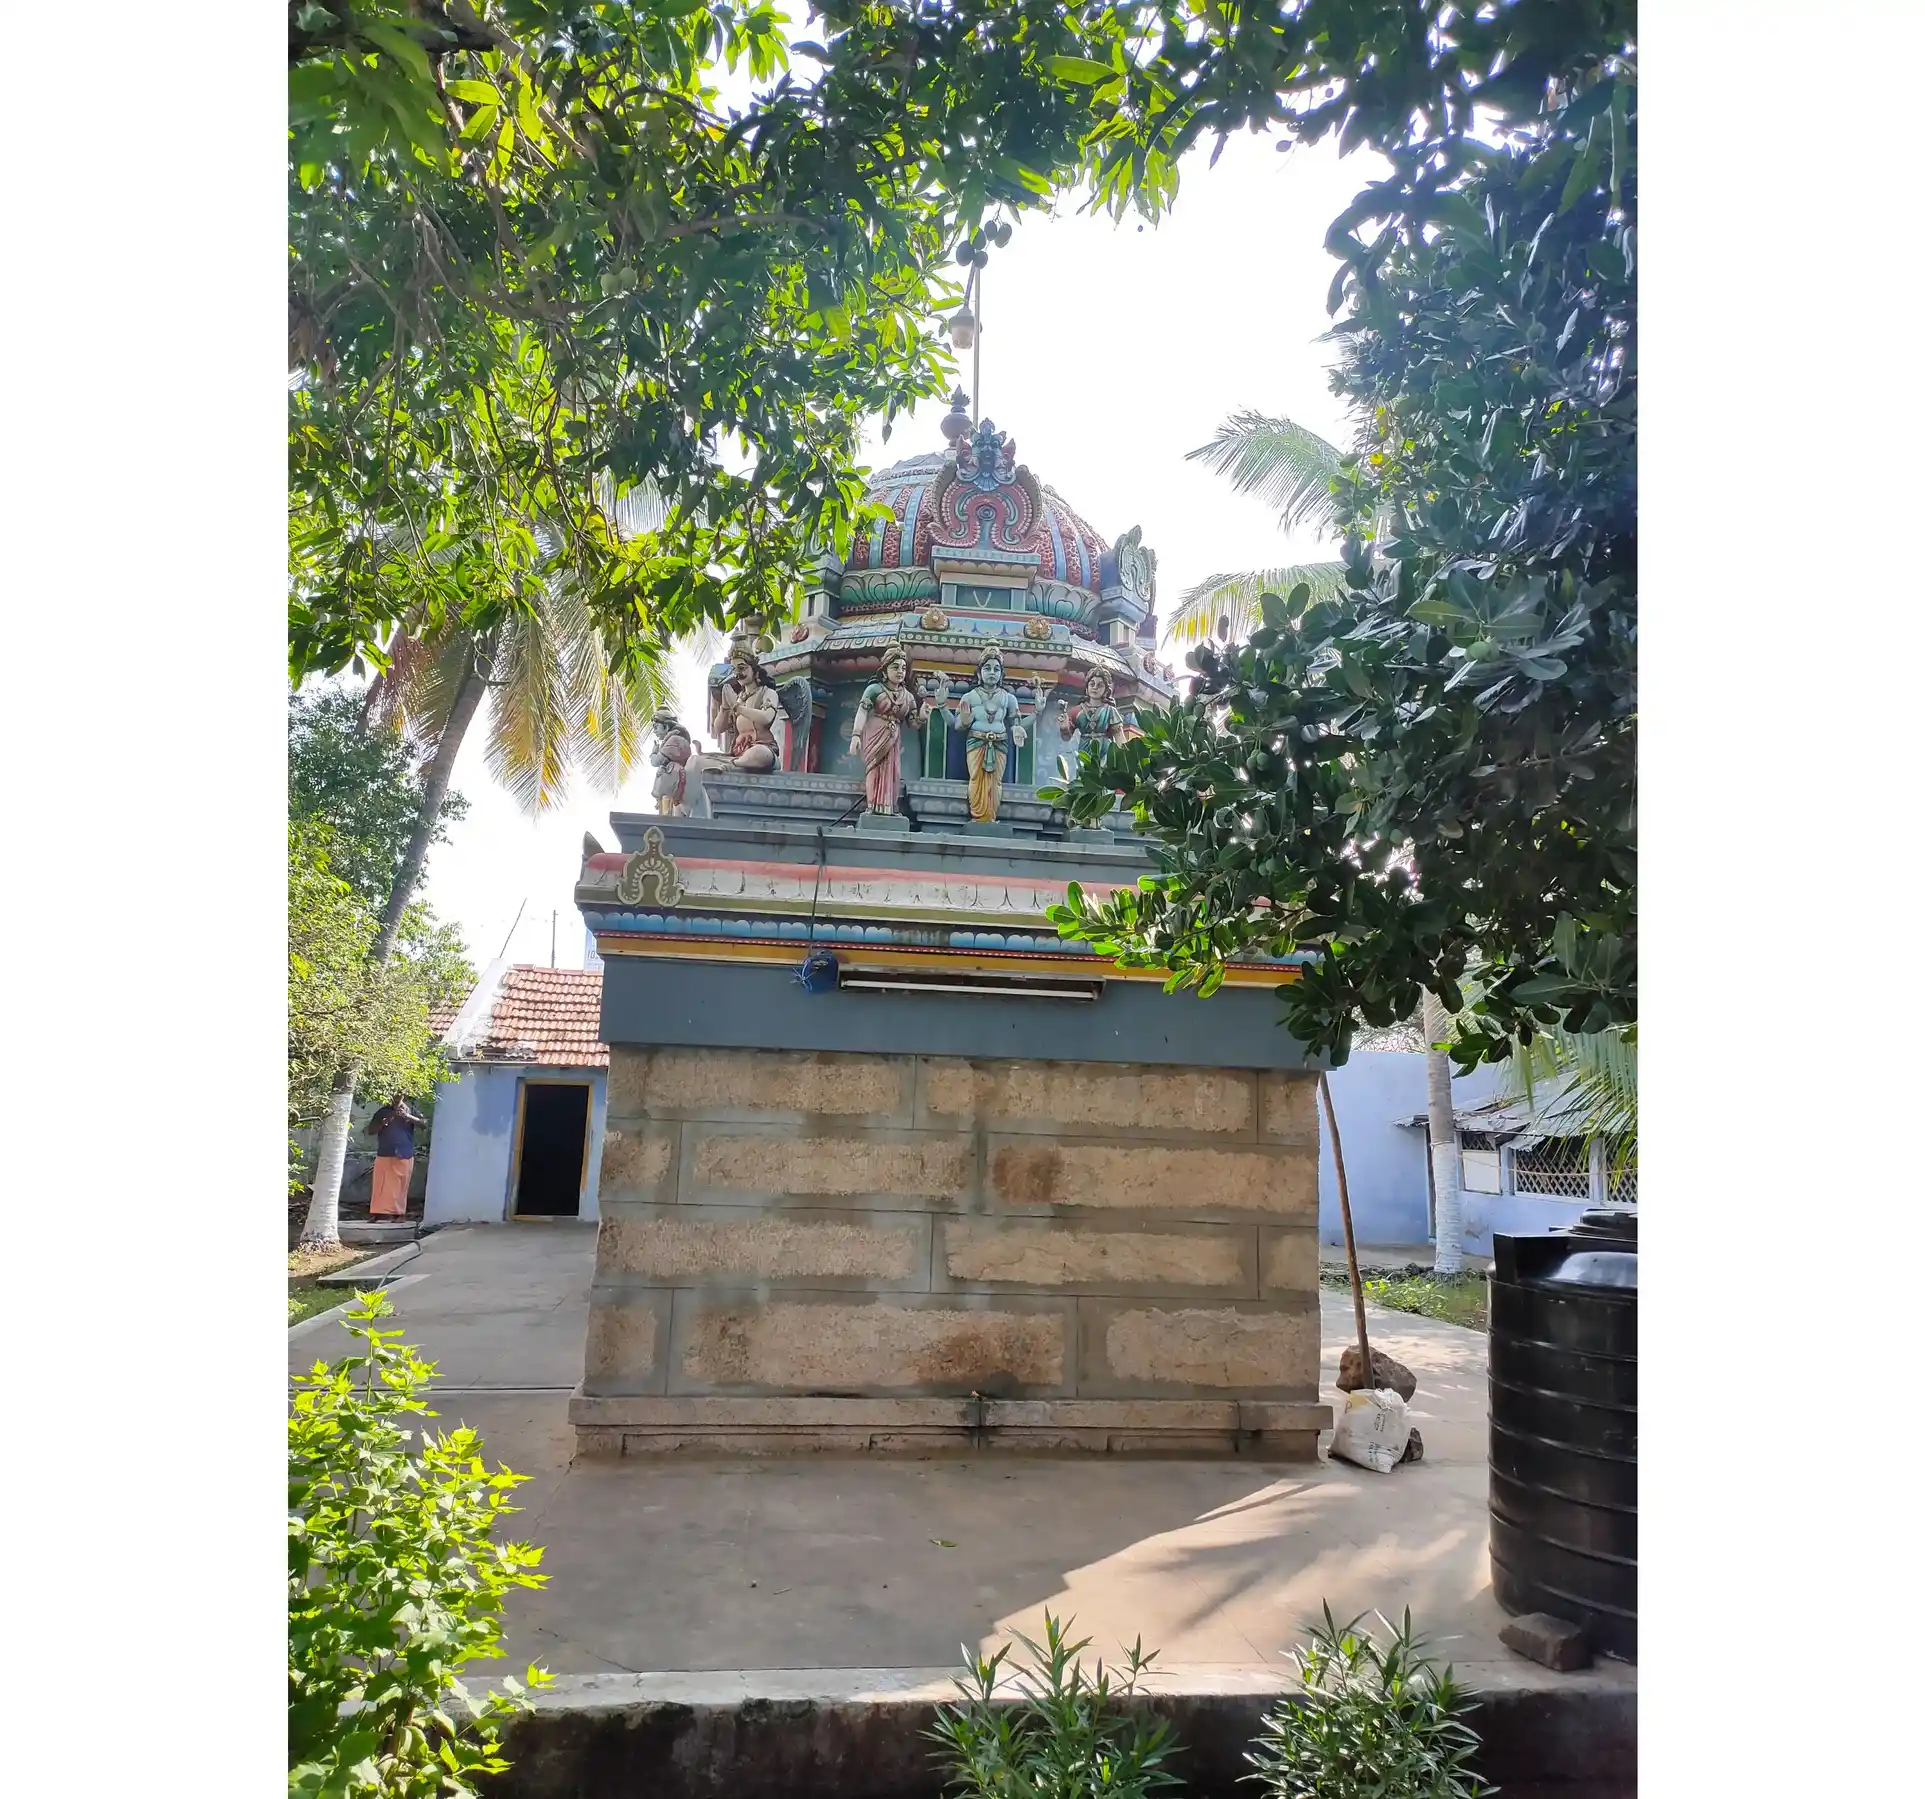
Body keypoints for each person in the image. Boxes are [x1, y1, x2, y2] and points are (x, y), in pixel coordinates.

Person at [364, 1094, 424, 1218]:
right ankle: (377, 1214)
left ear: (403, 1096)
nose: (396, 1097)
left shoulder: (410, 1110)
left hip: (404, 1153)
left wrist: (408, 1117)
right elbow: (371, 1131)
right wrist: (382, 1123)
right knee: (381, 1186)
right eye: (394, 1095)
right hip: (385, 1153)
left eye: (399, 1095)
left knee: (400, 1187)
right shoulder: (383, 1112)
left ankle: (398, 1215)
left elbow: (423, 1124)